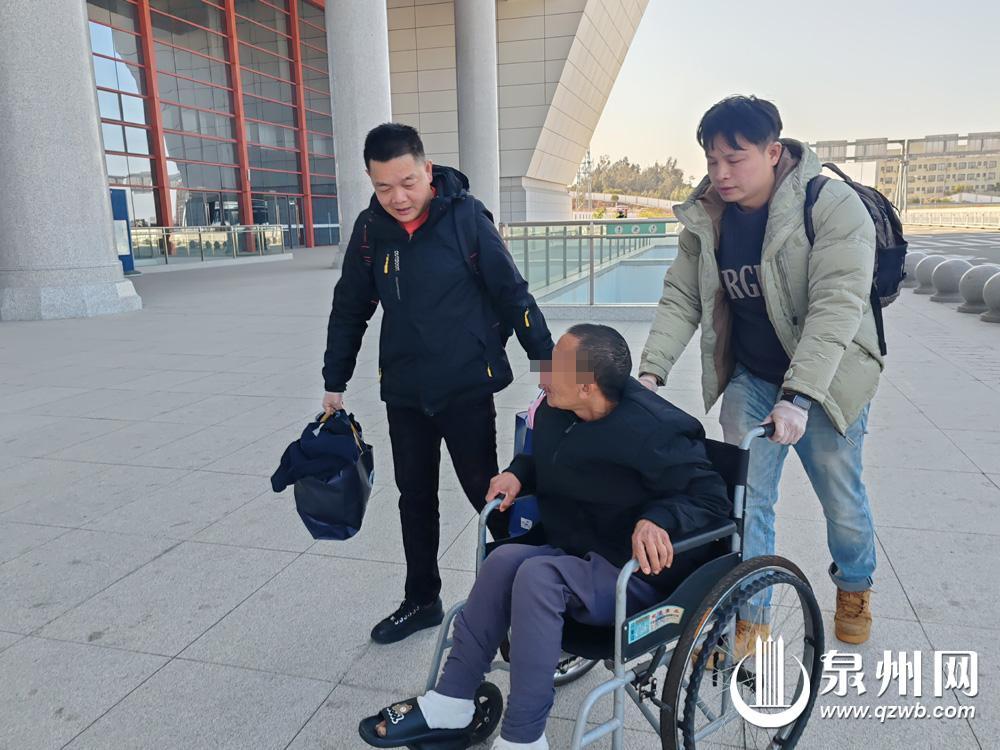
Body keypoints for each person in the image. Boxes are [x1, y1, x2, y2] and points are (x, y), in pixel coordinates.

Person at [358, 324, 730, 750]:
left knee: (538, 578)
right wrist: (517, 474)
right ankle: (452, 700)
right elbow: (544, 457)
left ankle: (524, 738)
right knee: (502, 561)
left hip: (632, 572)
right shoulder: (556, 410)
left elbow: (710, 496)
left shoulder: (656, 429)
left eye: (555, 367)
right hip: (577, 547)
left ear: (588, 386)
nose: (542, 374)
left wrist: (658, 519)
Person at [638, 95, 881, 645]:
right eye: (711, 160)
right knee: (747, 502)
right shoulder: (708, 216)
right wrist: (651, 373)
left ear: (773, 153)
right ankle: (752, 616)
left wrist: (799, 396)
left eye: (735, 158)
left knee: (840, 500)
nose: (721, 173)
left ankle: (855, 583)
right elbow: (682, 297)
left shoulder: (830, 204)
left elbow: (837, 305)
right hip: (752, 377)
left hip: (826, 379)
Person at [322, 123, 553, 645]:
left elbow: (514, 295)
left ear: (427, 171)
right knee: (415, 497)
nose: (398, 197)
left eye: (407, 182)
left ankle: (532, 593)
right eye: (384, 187)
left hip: (465, 384)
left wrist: (555, 374)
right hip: (405, 389)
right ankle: (422, 599)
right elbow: (350, 307)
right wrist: (334, 378)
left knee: (487, 494)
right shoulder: (370, 230)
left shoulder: (467, 218)